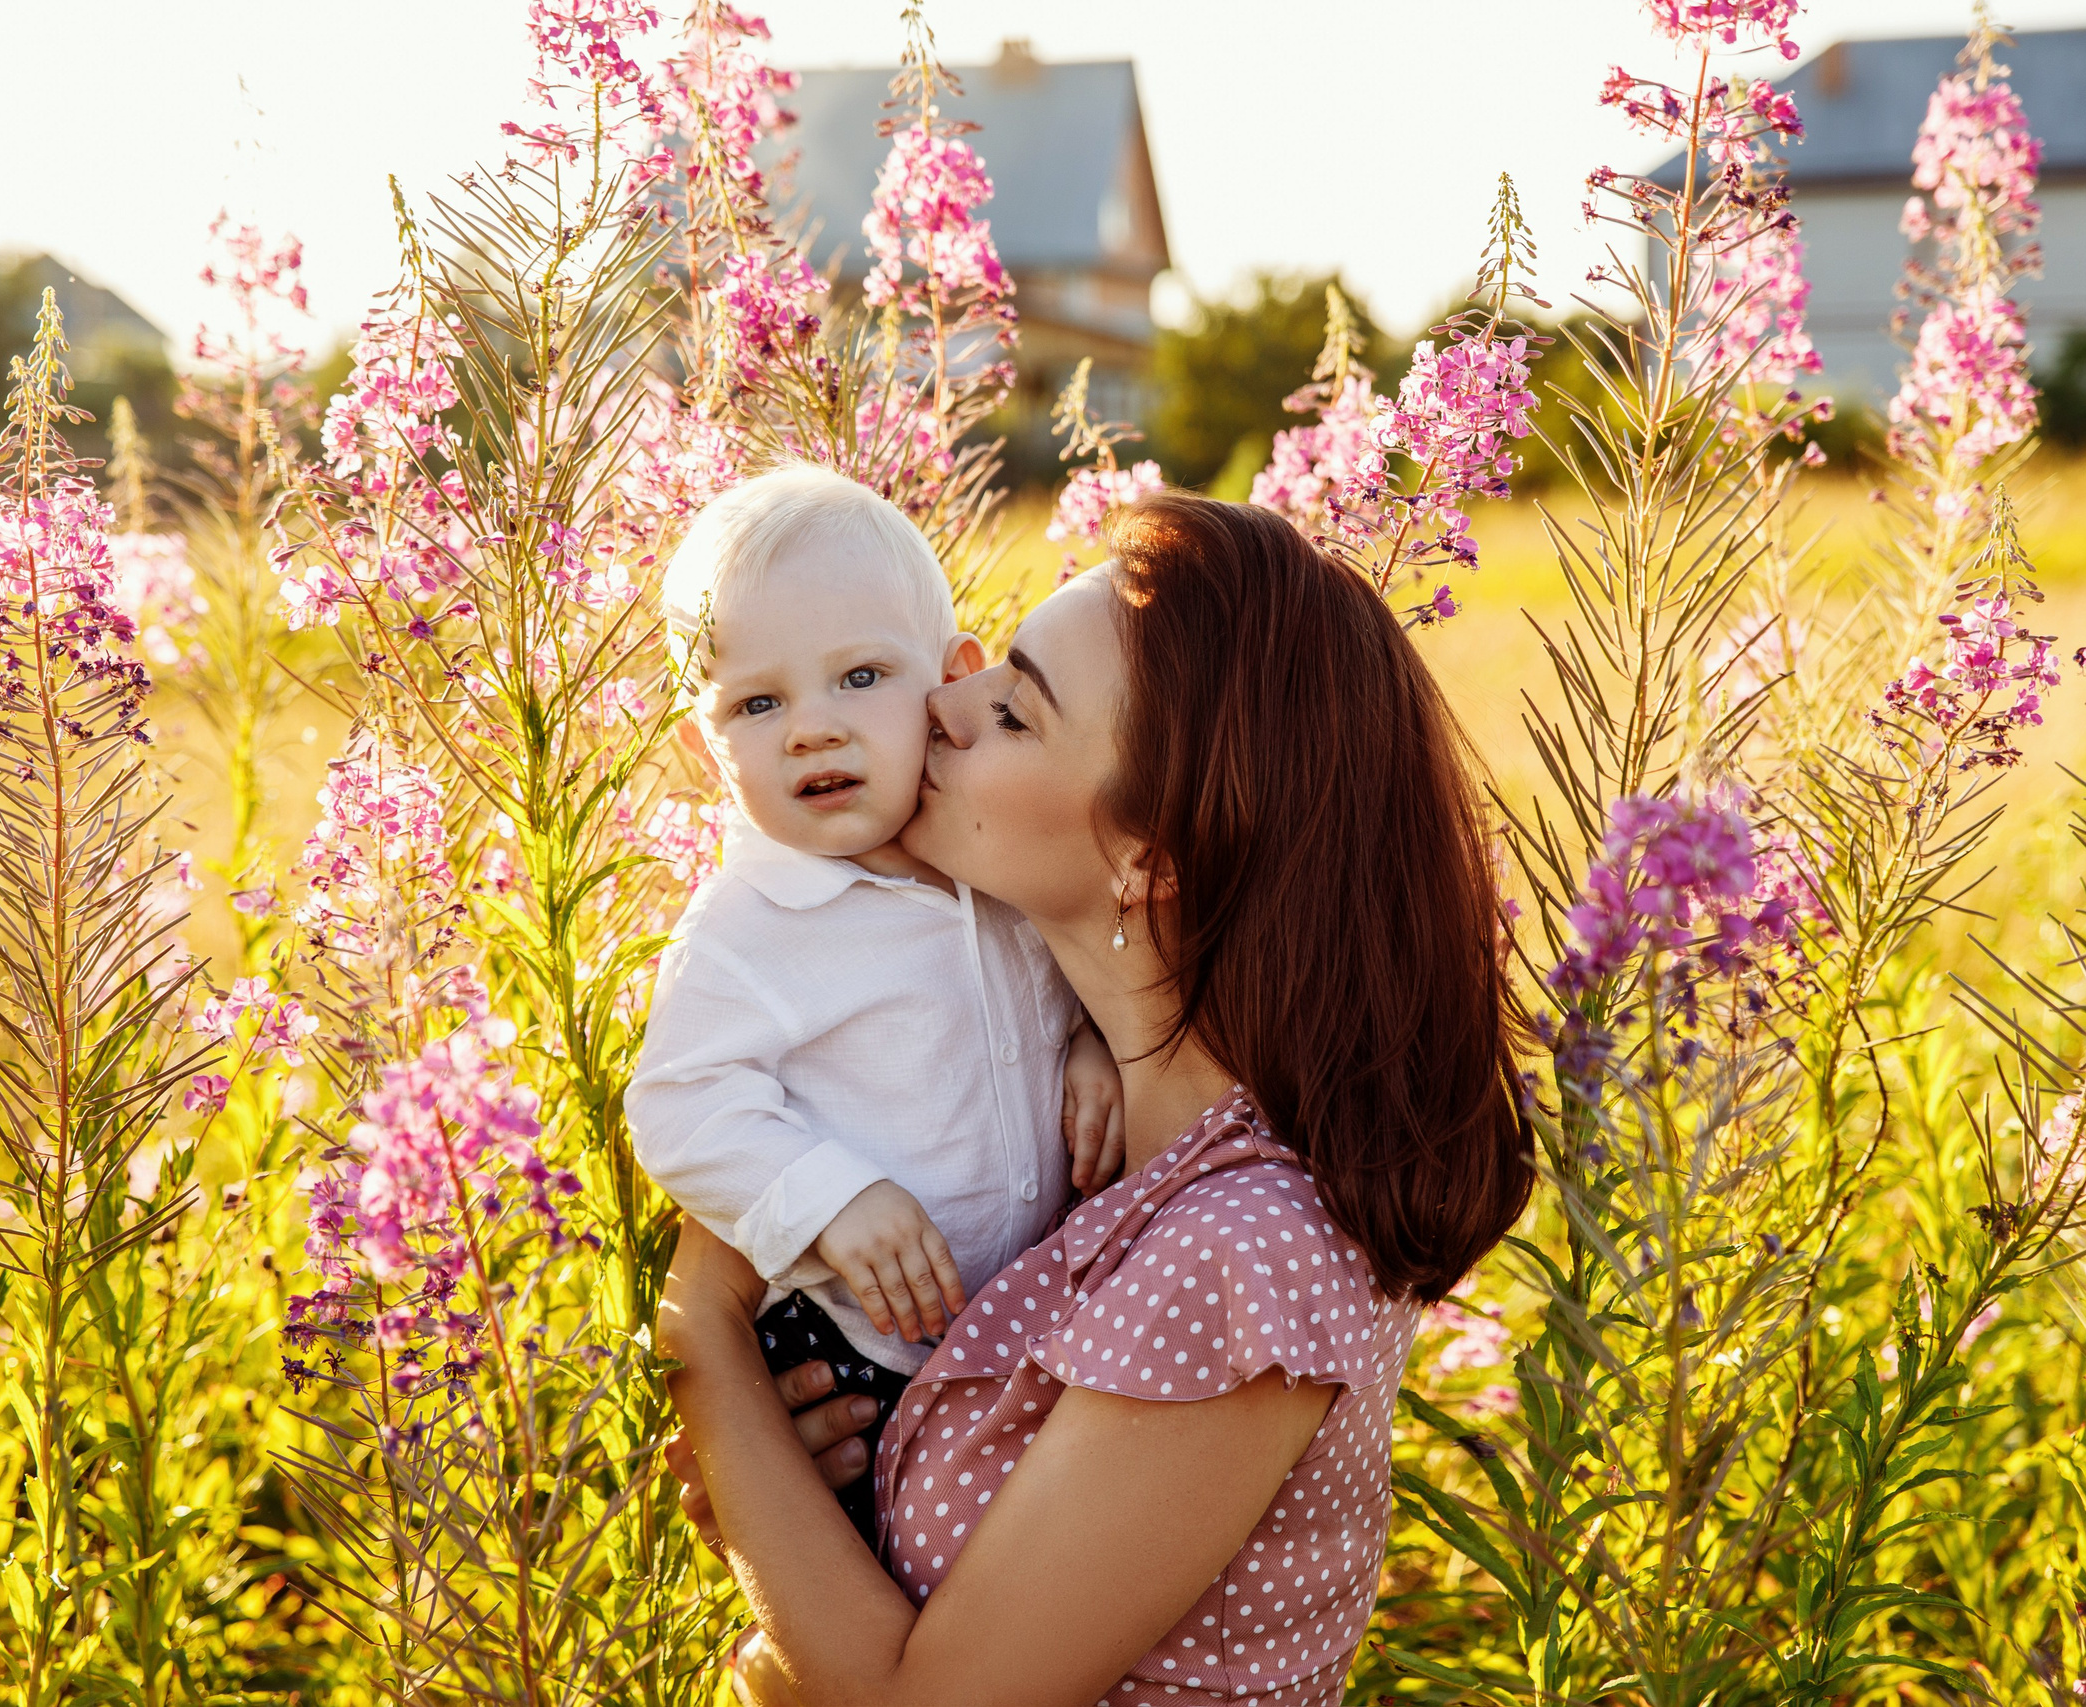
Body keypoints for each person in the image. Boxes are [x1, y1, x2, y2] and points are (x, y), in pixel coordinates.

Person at [661, 492, 1535, 1707]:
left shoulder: (1238, 1257)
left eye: (1012, 708)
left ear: (1149, 856)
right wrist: (798, 1506)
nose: (938, 705)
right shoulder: (1112, 1154)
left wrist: (706, 1334)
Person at [626, 464, 1126, 1552]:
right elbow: (677, 1101)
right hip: (859, 1355)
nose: (810, 730)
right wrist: (829, 1200)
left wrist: (1090, 1042)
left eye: (858, 677)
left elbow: (1074, 962)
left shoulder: (987, 863)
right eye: (757, 704)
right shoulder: (750, 923)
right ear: (699, 746)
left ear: (949, 685)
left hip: (1027, 1336)